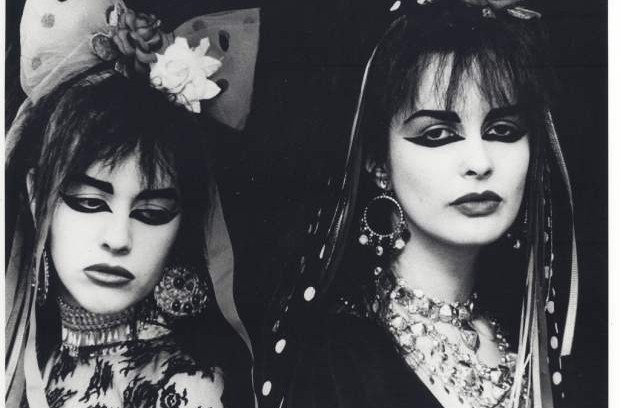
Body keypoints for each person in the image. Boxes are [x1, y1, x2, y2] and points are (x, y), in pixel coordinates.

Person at [255, 2, 579, 408]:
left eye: (502, 130)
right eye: (438, 134)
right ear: (379, 162)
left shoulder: (530, 329)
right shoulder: (336, 360)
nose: (480, 162)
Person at [5, 1, 255, 407]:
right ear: (37, 198)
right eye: (90, 202)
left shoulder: (186, 387)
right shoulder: (30, 365)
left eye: (151, 213)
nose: (118, 239)